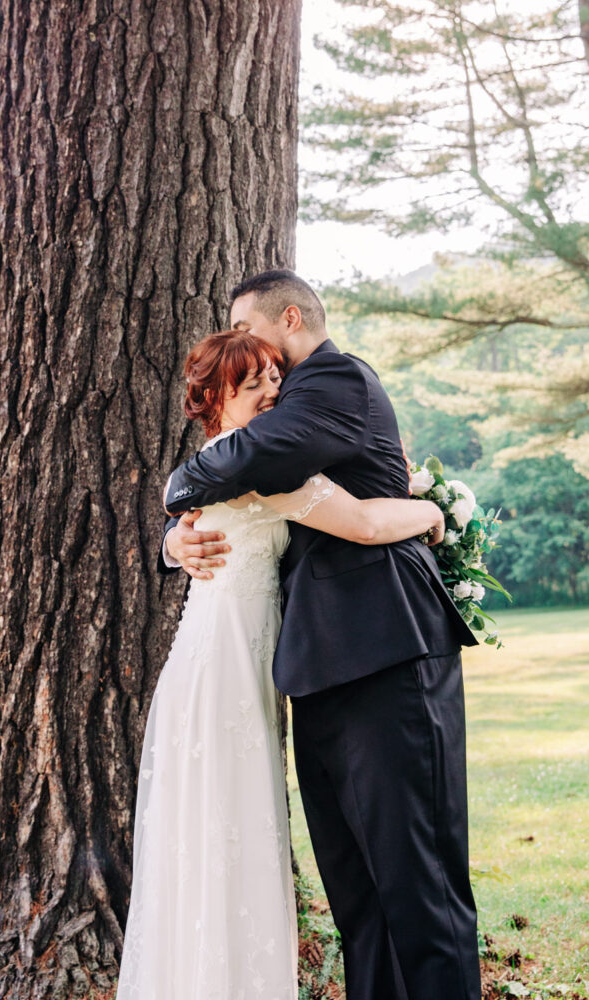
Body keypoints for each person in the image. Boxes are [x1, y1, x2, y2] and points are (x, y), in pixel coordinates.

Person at [161, 269, 482, 1000]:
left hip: (387, 653)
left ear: (293, 317)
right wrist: (173, 538)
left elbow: (248, 461)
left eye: (252, 330)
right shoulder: (282, 411)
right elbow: (237, 475)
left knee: (417, 882)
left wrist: (175, 489)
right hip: (317, 668)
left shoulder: (334, 381)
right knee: (359, 894)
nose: (248, 350)